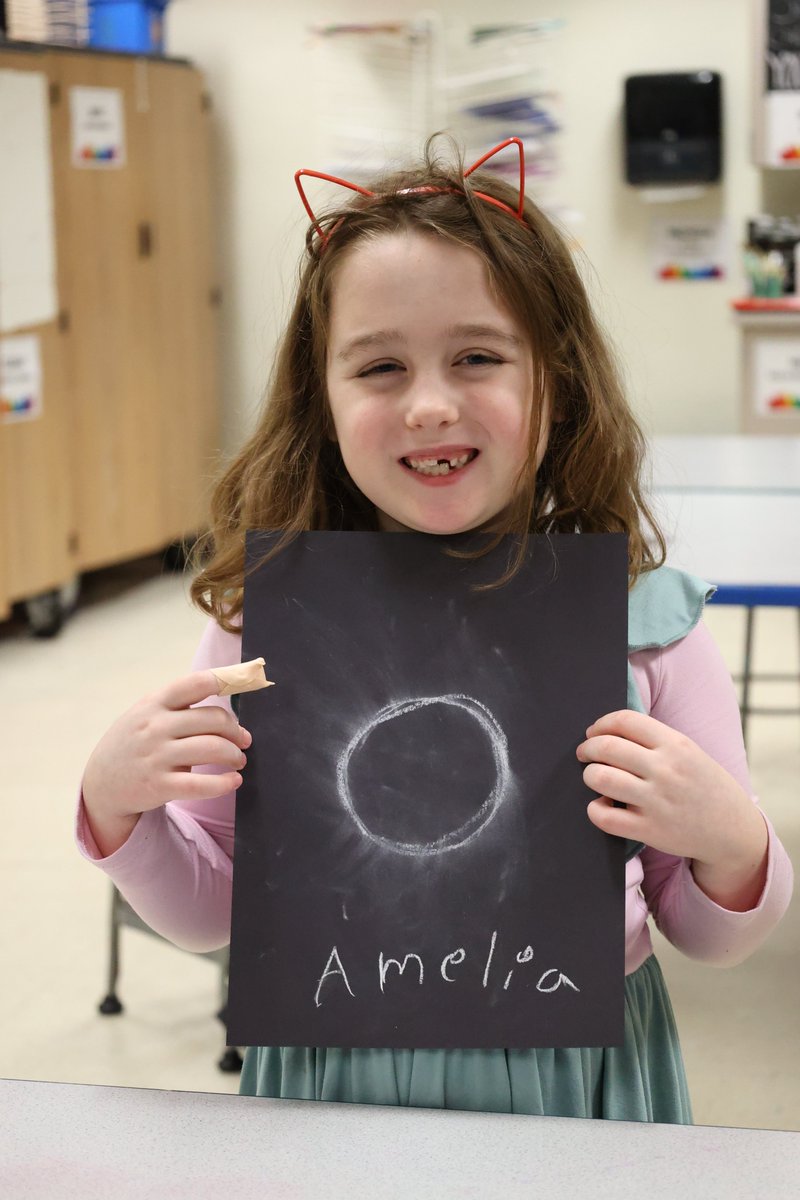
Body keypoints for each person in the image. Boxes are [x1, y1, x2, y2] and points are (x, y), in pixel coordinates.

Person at [77, 136, 793, 1123]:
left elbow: (709, 935)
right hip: (331, 1081)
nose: (427, 404)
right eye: (377, 366)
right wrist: (120, 810)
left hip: (569, 1088)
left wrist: (728, 839)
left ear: (559, 380)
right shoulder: (266, 633)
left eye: (476, 357)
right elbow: (207, 914)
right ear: (318, 402)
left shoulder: (643, 629)